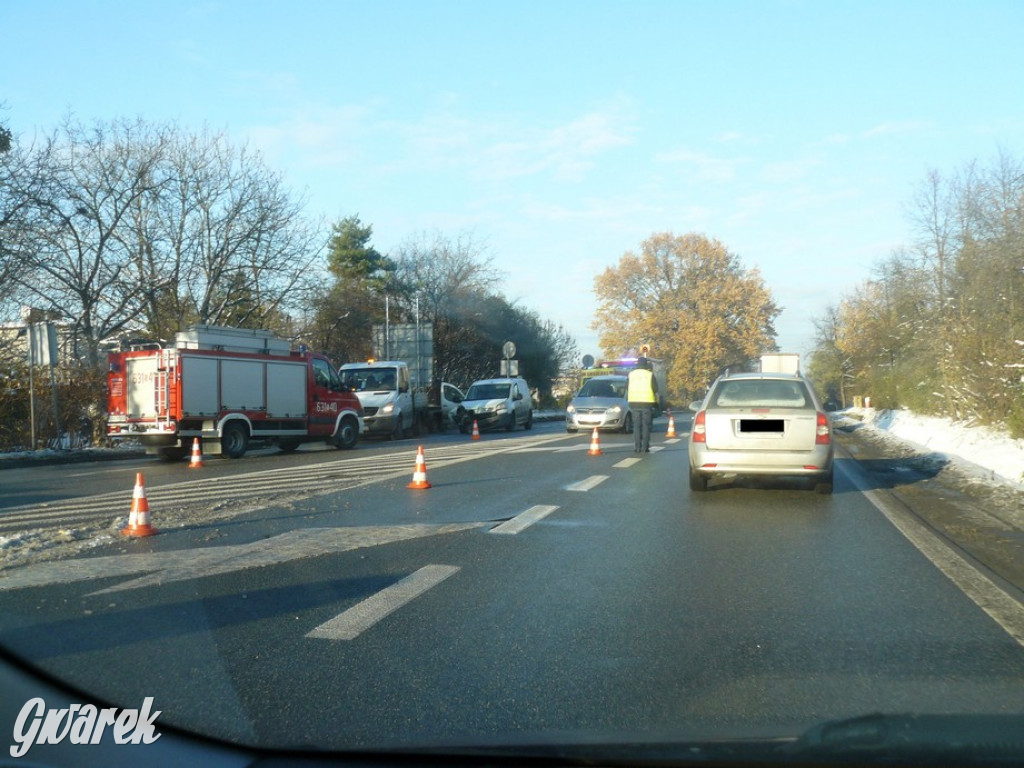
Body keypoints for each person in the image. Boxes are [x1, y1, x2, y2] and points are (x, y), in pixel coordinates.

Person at [627, 357, 658, 453]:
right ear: (646, 364)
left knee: (636, 426)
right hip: (647, 403)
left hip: (634, 403)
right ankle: (645, 447)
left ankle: (637, 447)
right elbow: (655, 388)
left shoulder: (631, 374)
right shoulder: (649, 375)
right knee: (646, 425)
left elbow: (627, 387)